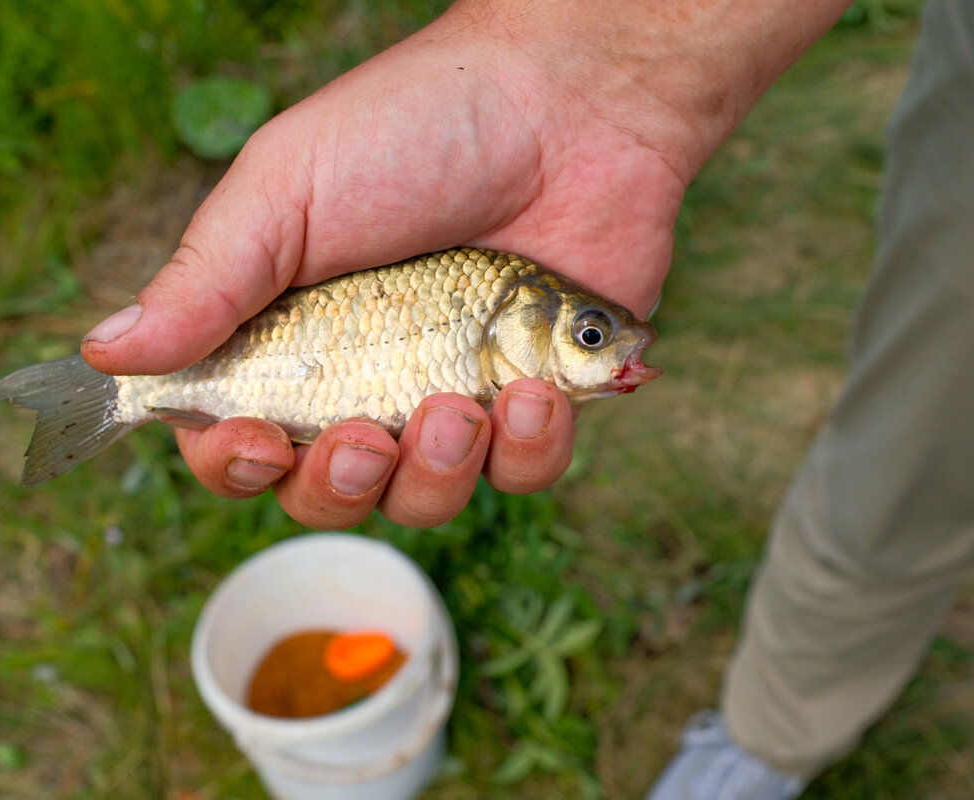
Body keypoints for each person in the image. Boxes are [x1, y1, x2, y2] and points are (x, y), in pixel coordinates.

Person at [81, 0, 974, 796]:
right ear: (517, 325)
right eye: (590, 334)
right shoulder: (487, 289)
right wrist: (573, 66)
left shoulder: (498, 308)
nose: (608, 346)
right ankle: (776, 737)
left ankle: (774, 743)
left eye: (593, 337)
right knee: (909, 458)